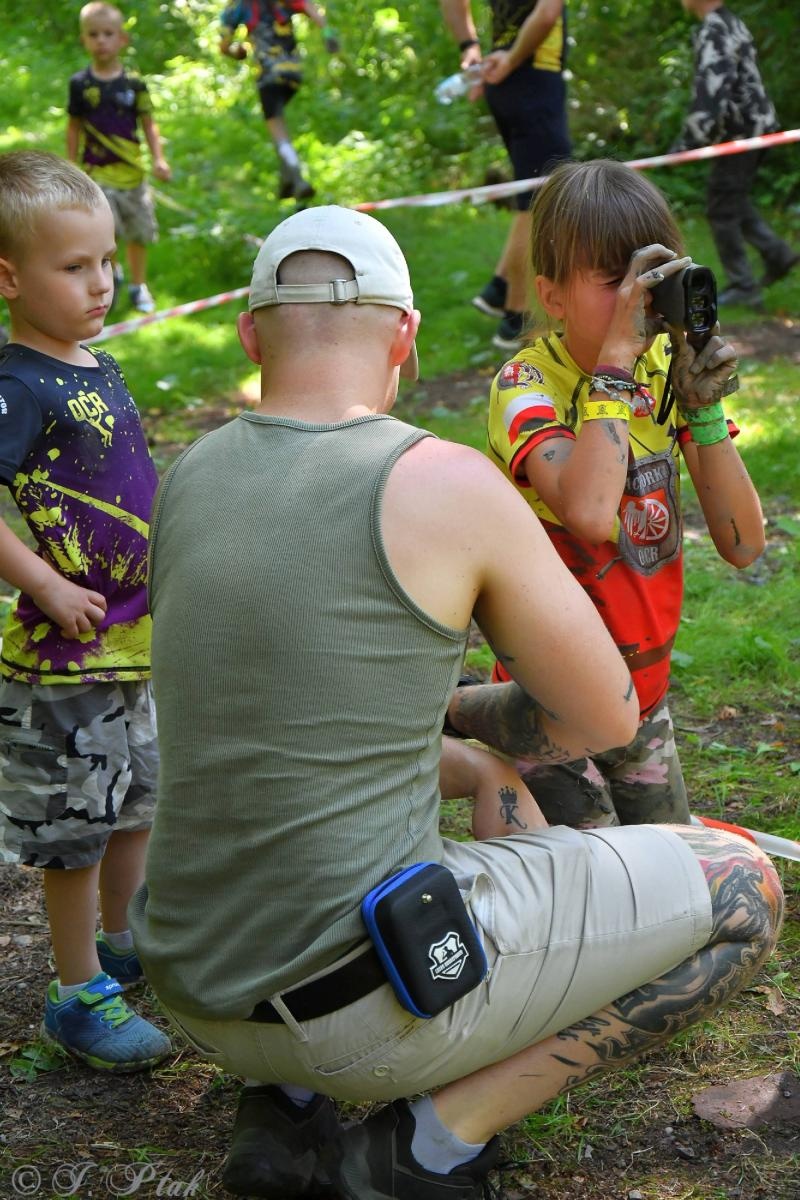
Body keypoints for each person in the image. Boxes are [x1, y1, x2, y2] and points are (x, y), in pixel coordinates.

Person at [128, 204, 783, 1200]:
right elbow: (605, 717)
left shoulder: (189, 477)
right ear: (405, 337)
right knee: (743, 885)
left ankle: (279, 1103)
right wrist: (479, 721)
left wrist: (466, 759)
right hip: (362, 1006)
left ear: (248, 334)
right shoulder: (440, 482)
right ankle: (425, 1147)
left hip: (194, 984)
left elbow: (280, 723)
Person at [476, 157, 765, 829]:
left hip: (643, 694)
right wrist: (613, 368)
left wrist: (702, 411)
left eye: (652, 280)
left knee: (668, 876)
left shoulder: (660, 370)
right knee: (599, 886)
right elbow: (588, 513)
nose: (640, 303)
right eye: (616, 283)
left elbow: (745, 544)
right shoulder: (525, 387)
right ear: (551, 297)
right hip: (550, 699)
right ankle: (468, 710)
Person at [0, 150, 170, 1072]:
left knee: (136, 802)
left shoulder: (93, 363)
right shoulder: (16, 384)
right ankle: (75, 994)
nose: (102, 282)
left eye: (107, 260)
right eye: (75, 267)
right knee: (74, 830)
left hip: (131, 643)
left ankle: (122, 942)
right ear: (8, 278)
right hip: (63, 657)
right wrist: (44, 582)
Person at [440, 0, 571, 351]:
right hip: (532, 74)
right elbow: (547, 12)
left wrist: (469, 47)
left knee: (534, 194)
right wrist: (513, 58)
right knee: (542, 198)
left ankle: (499, 289)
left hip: (503, 78)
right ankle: (516, 317)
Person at [673, 0, 799, 309]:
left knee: (721, 209)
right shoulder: (730, 22)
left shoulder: (715, 28)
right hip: (755, 129)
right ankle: (777, 254)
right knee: (733, 200)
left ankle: (744, 285)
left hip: (742, 136)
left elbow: (712, 90)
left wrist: (689, 141)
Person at [67, 1, 172, 315]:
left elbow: (149, 125)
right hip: (96, 176)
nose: (101, 40)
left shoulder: (135, 84)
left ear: (122, 39)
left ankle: (139, 286)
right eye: (93, 34)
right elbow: (73, 127)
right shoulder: (80, 85)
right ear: (84, 39)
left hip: (133, 176)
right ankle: (113, 279)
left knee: (138, 232)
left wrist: (159, 159)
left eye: (108, 34)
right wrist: (71, 165)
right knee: (104, 235)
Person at [220, 0, 340, 202]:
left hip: (268, 75)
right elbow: (313, 10)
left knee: (278, 131)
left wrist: (237, 52)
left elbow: (224, 46)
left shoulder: (238, 6)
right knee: (279, 123)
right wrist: (328, 35)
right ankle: (286, 181)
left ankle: (296, 178)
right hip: (294, 74)